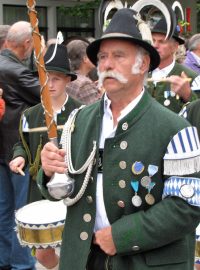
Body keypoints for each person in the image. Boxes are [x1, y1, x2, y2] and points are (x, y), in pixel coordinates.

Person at [37, 8, 200, 270]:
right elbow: (62, 190)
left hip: (145, 262)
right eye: (102, 57)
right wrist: (49, 173)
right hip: (84, 259)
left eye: (118, 56)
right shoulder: (78, 121)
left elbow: (186, 207)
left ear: (144, 63)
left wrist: (121, 236)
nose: (107, 64)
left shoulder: (177, 128)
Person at [9, 43, 81, 270]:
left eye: (56, 78)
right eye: (45, 78)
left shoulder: (82, 112)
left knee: (73, 242)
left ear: (68, 80)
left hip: (74, 188)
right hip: (40, 187)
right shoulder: (30, 114)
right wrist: (19, 156)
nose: (49, 84)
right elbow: (20, 143)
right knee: (43, 253)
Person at [0, 21, 41, 270]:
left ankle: (5, 259)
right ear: (27, 44)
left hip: (2, 149)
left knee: (4, 210)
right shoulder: (16, 71)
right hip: (17, 151)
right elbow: (48, 95)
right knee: (21, 211)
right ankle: (21, 263)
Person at [148, 17, 200, 113]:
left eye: (161, 41)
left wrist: (188, 95)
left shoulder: (192, 77)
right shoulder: (140, 73)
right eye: (153, 40)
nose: (155, 45)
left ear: (175, 47)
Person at [66, 39, 102, 105]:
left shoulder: (67, 77)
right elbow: (97, 110)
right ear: (85, 59)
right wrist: (103, 92)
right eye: (91, 55)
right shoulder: (85, 84)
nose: (95, 58)